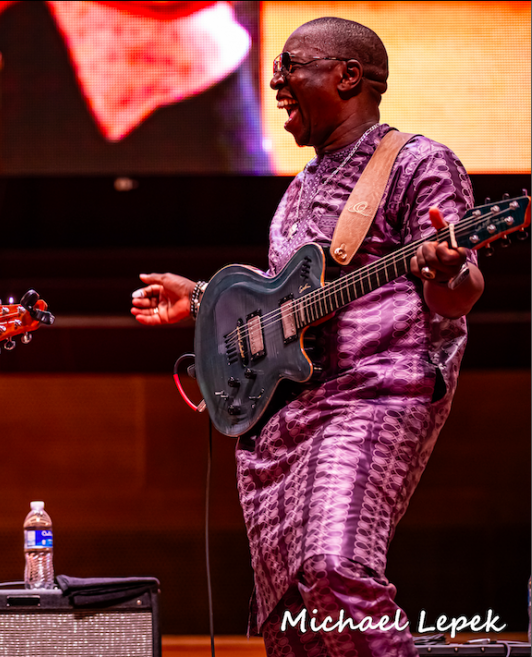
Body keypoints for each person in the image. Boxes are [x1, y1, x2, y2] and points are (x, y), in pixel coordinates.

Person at [130, 17, 483, 657]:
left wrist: (452, 267)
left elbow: (456, 293)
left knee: (335, 568)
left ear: (348, 76)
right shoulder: (298, 189)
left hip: (370, 395)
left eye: (291, 65)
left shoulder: (414, 162)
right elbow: (284, 306)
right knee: (291, 621)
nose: (274, 80)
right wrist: (203, 300)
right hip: (282, 423)